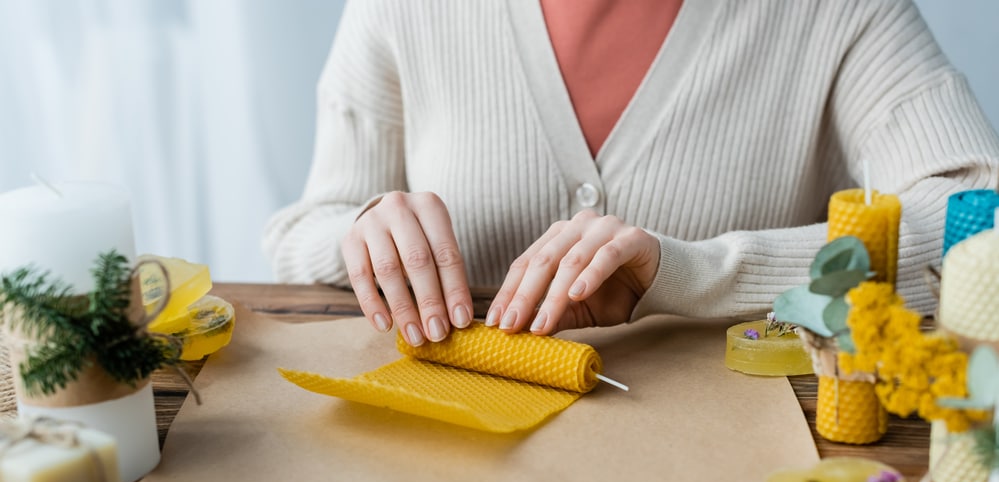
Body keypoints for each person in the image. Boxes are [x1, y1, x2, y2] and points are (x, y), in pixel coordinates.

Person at [263, 0, 999, 347]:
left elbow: (983, 214)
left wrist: (692, 272)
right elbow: (305, 228)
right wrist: (365, 235)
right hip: (436, 473)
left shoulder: (838, 10)